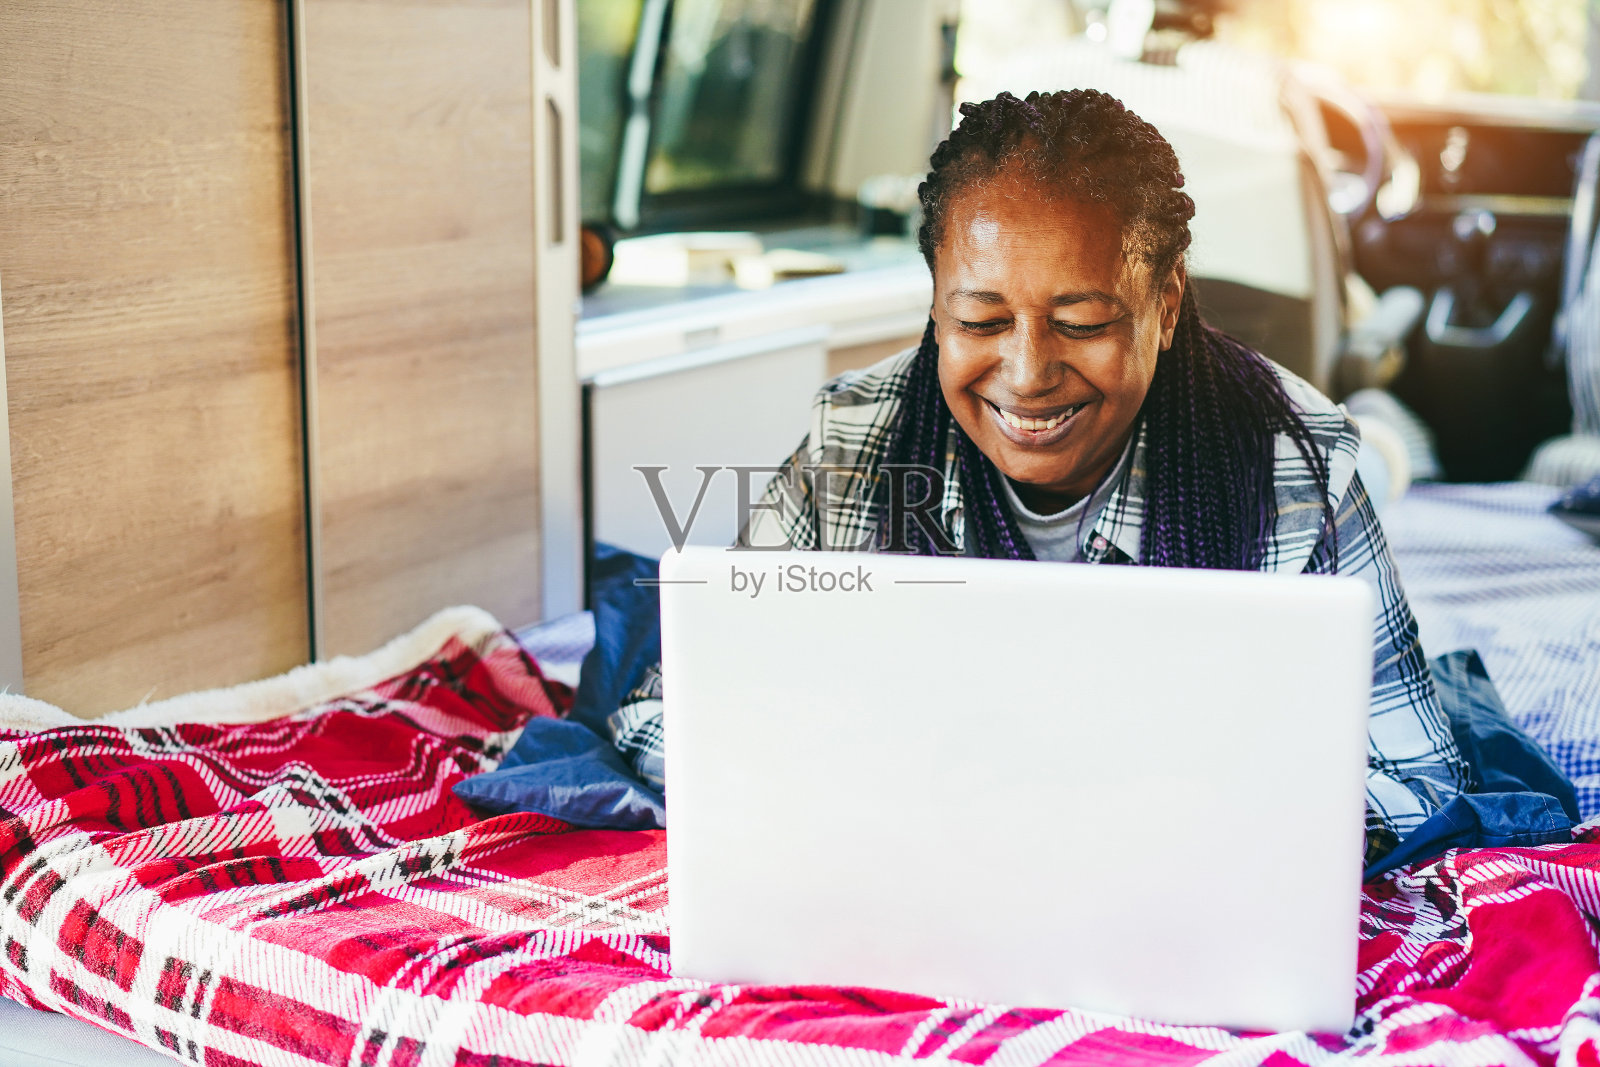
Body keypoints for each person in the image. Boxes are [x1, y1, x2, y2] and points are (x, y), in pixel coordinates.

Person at [610, 88, 1467, 862]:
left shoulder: (1295, 467)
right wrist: (856, 777)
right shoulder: (853, 444)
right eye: (981, 319)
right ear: (937, 306)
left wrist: (1139, 815)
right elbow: (666, 716)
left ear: (1165, 305)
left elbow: (1414, 776)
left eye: (1082, 321)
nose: (1026, 374)